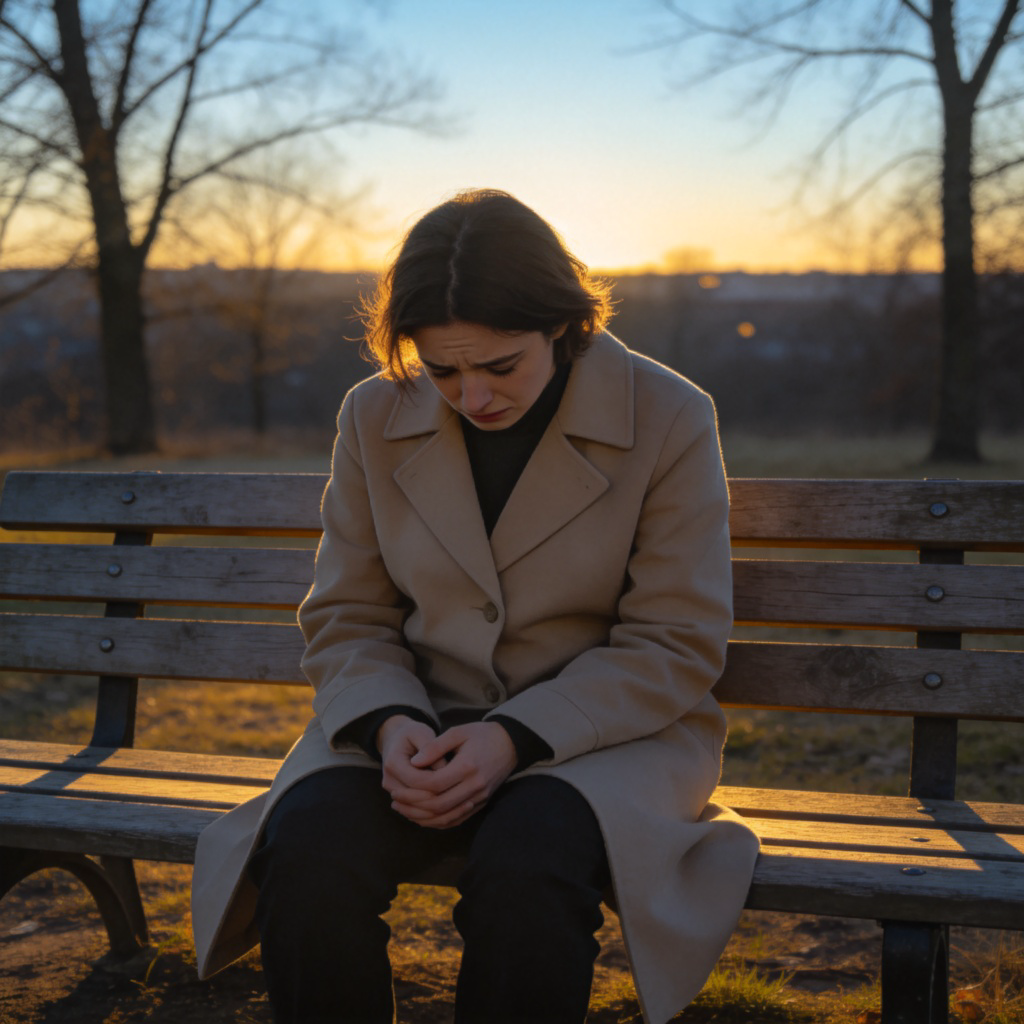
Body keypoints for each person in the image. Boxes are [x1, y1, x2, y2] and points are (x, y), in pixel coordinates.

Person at [191, 189, 759, 1024]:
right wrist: (388, 724)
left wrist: (514, 738)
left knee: (530, 865)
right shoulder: (373, 413)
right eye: (442, 368)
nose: (471, 396)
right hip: (410, 727)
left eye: (500, 367)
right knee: (306, 846)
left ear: (563, 326)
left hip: (605, 740)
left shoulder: (671, 414)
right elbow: (348, 613)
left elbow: (676, 641)